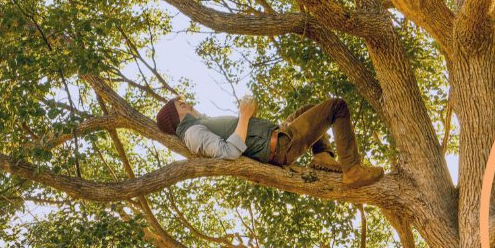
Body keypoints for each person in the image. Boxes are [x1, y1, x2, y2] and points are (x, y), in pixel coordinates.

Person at [155, 95, 385, 188]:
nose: (190, 105)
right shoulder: (192, 133)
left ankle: (322, 155)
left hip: (278, 136)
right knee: (337, 107)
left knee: (308, 109)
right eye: (183, 106)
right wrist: (244, 117)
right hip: (281, 146)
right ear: (177, 117)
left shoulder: (199, 125)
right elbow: (229, 151)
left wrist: (249, 116)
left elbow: (242, 136)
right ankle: (352, 171)